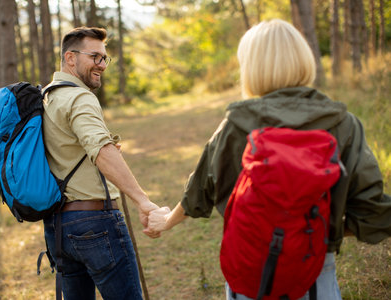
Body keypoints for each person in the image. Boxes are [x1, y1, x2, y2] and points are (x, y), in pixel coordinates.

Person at [148, 19, 391, 300]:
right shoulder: (344, 124)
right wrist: (324, 232)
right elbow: (374, 213)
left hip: (251, 266)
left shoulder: (236, 124)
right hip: (315, 270)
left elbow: (201, 189)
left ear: (250, 68)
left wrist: (166, 221)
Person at [42, 26, 160, 300]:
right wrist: (143, 201)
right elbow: (102, 151)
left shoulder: (47, 96)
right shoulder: (79, 97)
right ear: (70, 58)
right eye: (95, 57)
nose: (102, 65)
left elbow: (68, 149)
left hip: (58, 227)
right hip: (95, 223)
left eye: (104, 58)